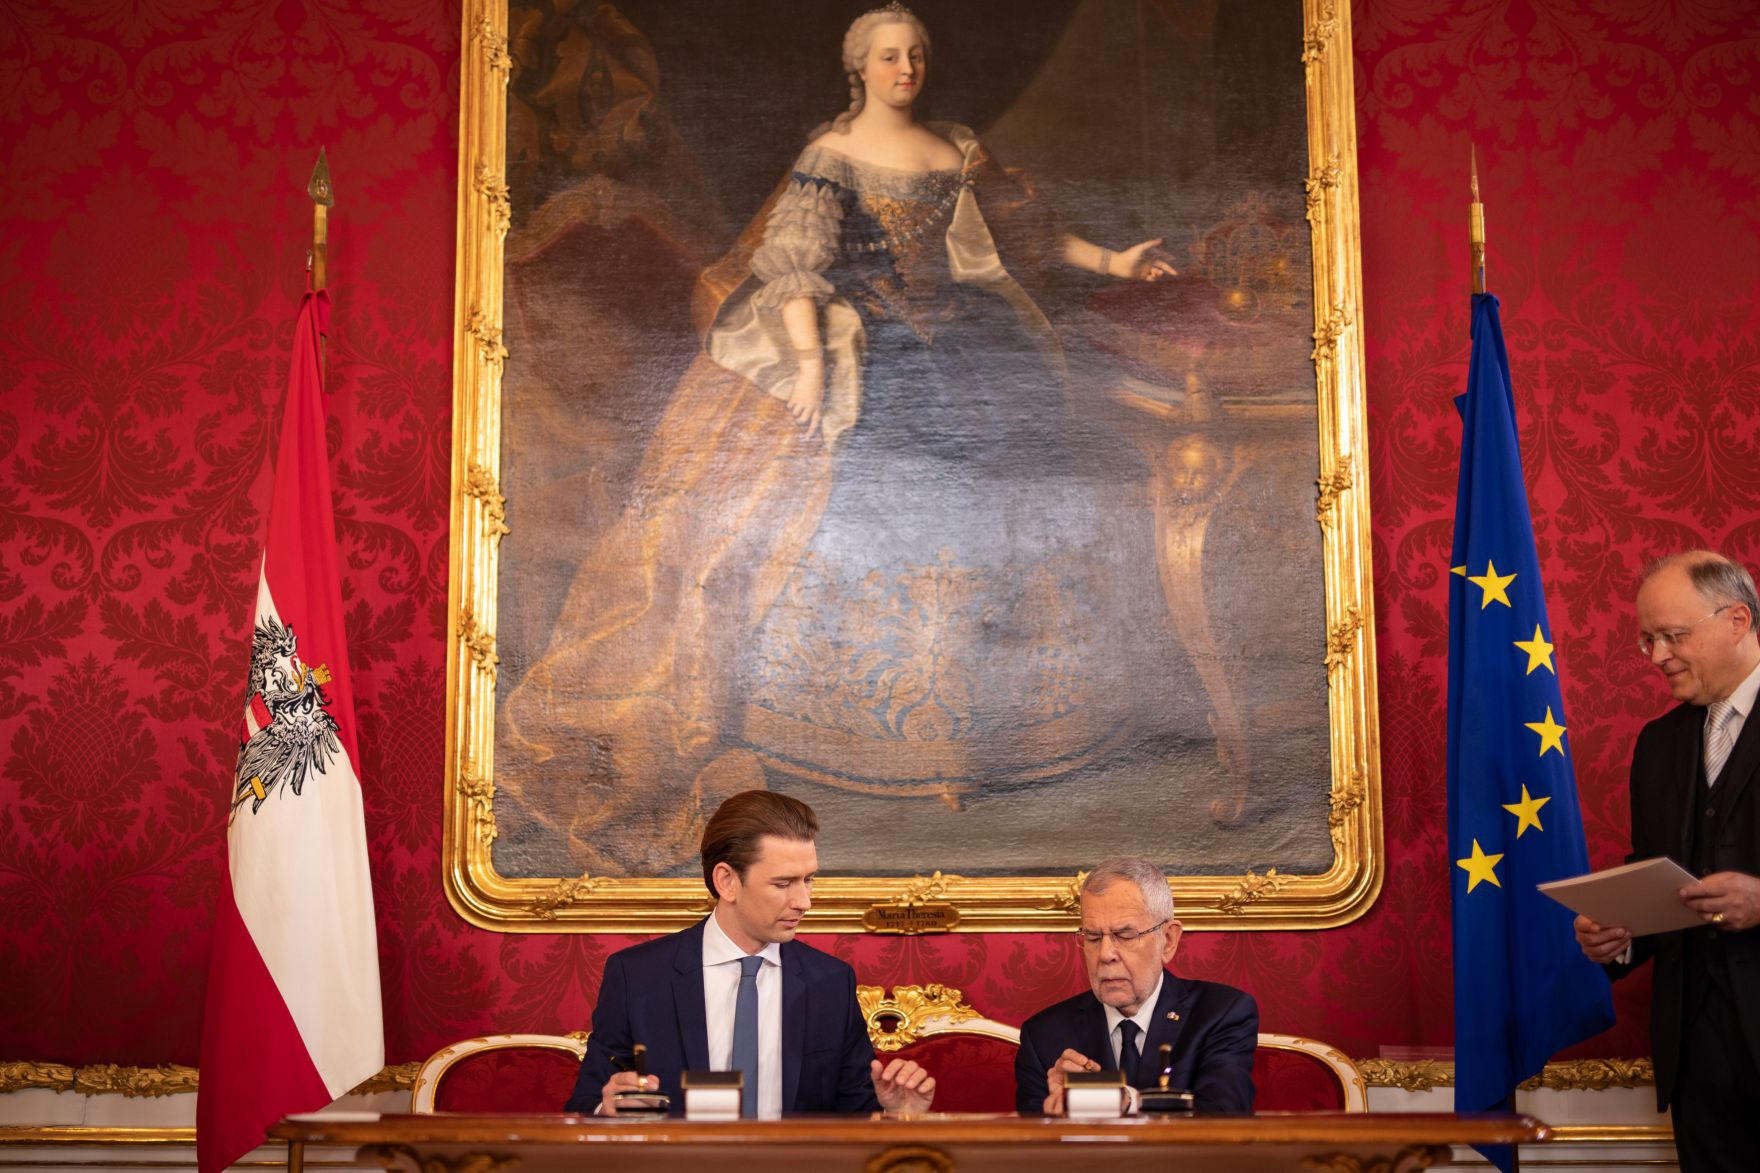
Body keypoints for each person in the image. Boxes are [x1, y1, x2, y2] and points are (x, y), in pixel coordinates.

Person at [500, 2, 1178, 874]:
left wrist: (1115, 264)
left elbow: (1027, 238)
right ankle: (849, 725)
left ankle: (1005, 724)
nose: (908, 70)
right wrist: (813, 369)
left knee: (1023, 482)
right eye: (891, 57)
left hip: (967, 343)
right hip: (862, 343)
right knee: (847, 494)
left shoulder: (957, 147)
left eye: (918, 55)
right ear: (858, 68)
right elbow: (793, 267)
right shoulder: (831, 156)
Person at [565, 789, 934, 1116]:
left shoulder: (831, 982)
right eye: (783, 883)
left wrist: (898, 1115)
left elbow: (852, 1116)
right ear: (727, 881)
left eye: (808, 879)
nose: (804, 901)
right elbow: (586, 1104)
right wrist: (606, 1106)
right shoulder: (639, 977)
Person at [1573, 551, 1760, 1172]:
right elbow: (1657, 881)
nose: (1656, 657)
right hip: (1697, 1060)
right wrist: (1619, 934)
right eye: (1647, 640)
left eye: (1673, 637)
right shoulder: (1659, 744)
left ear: (1737, 620)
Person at [1014, 858, 1257, 1115]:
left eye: (1125, 935)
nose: (1105, 954)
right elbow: (1033, 1146)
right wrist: (1057, 1113)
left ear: (1168, 940)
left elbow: (1224, 1117)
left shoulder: (1221, 1014)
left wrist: (1125, 1101)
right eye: (1093, 937)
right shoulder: (1044, 1035)